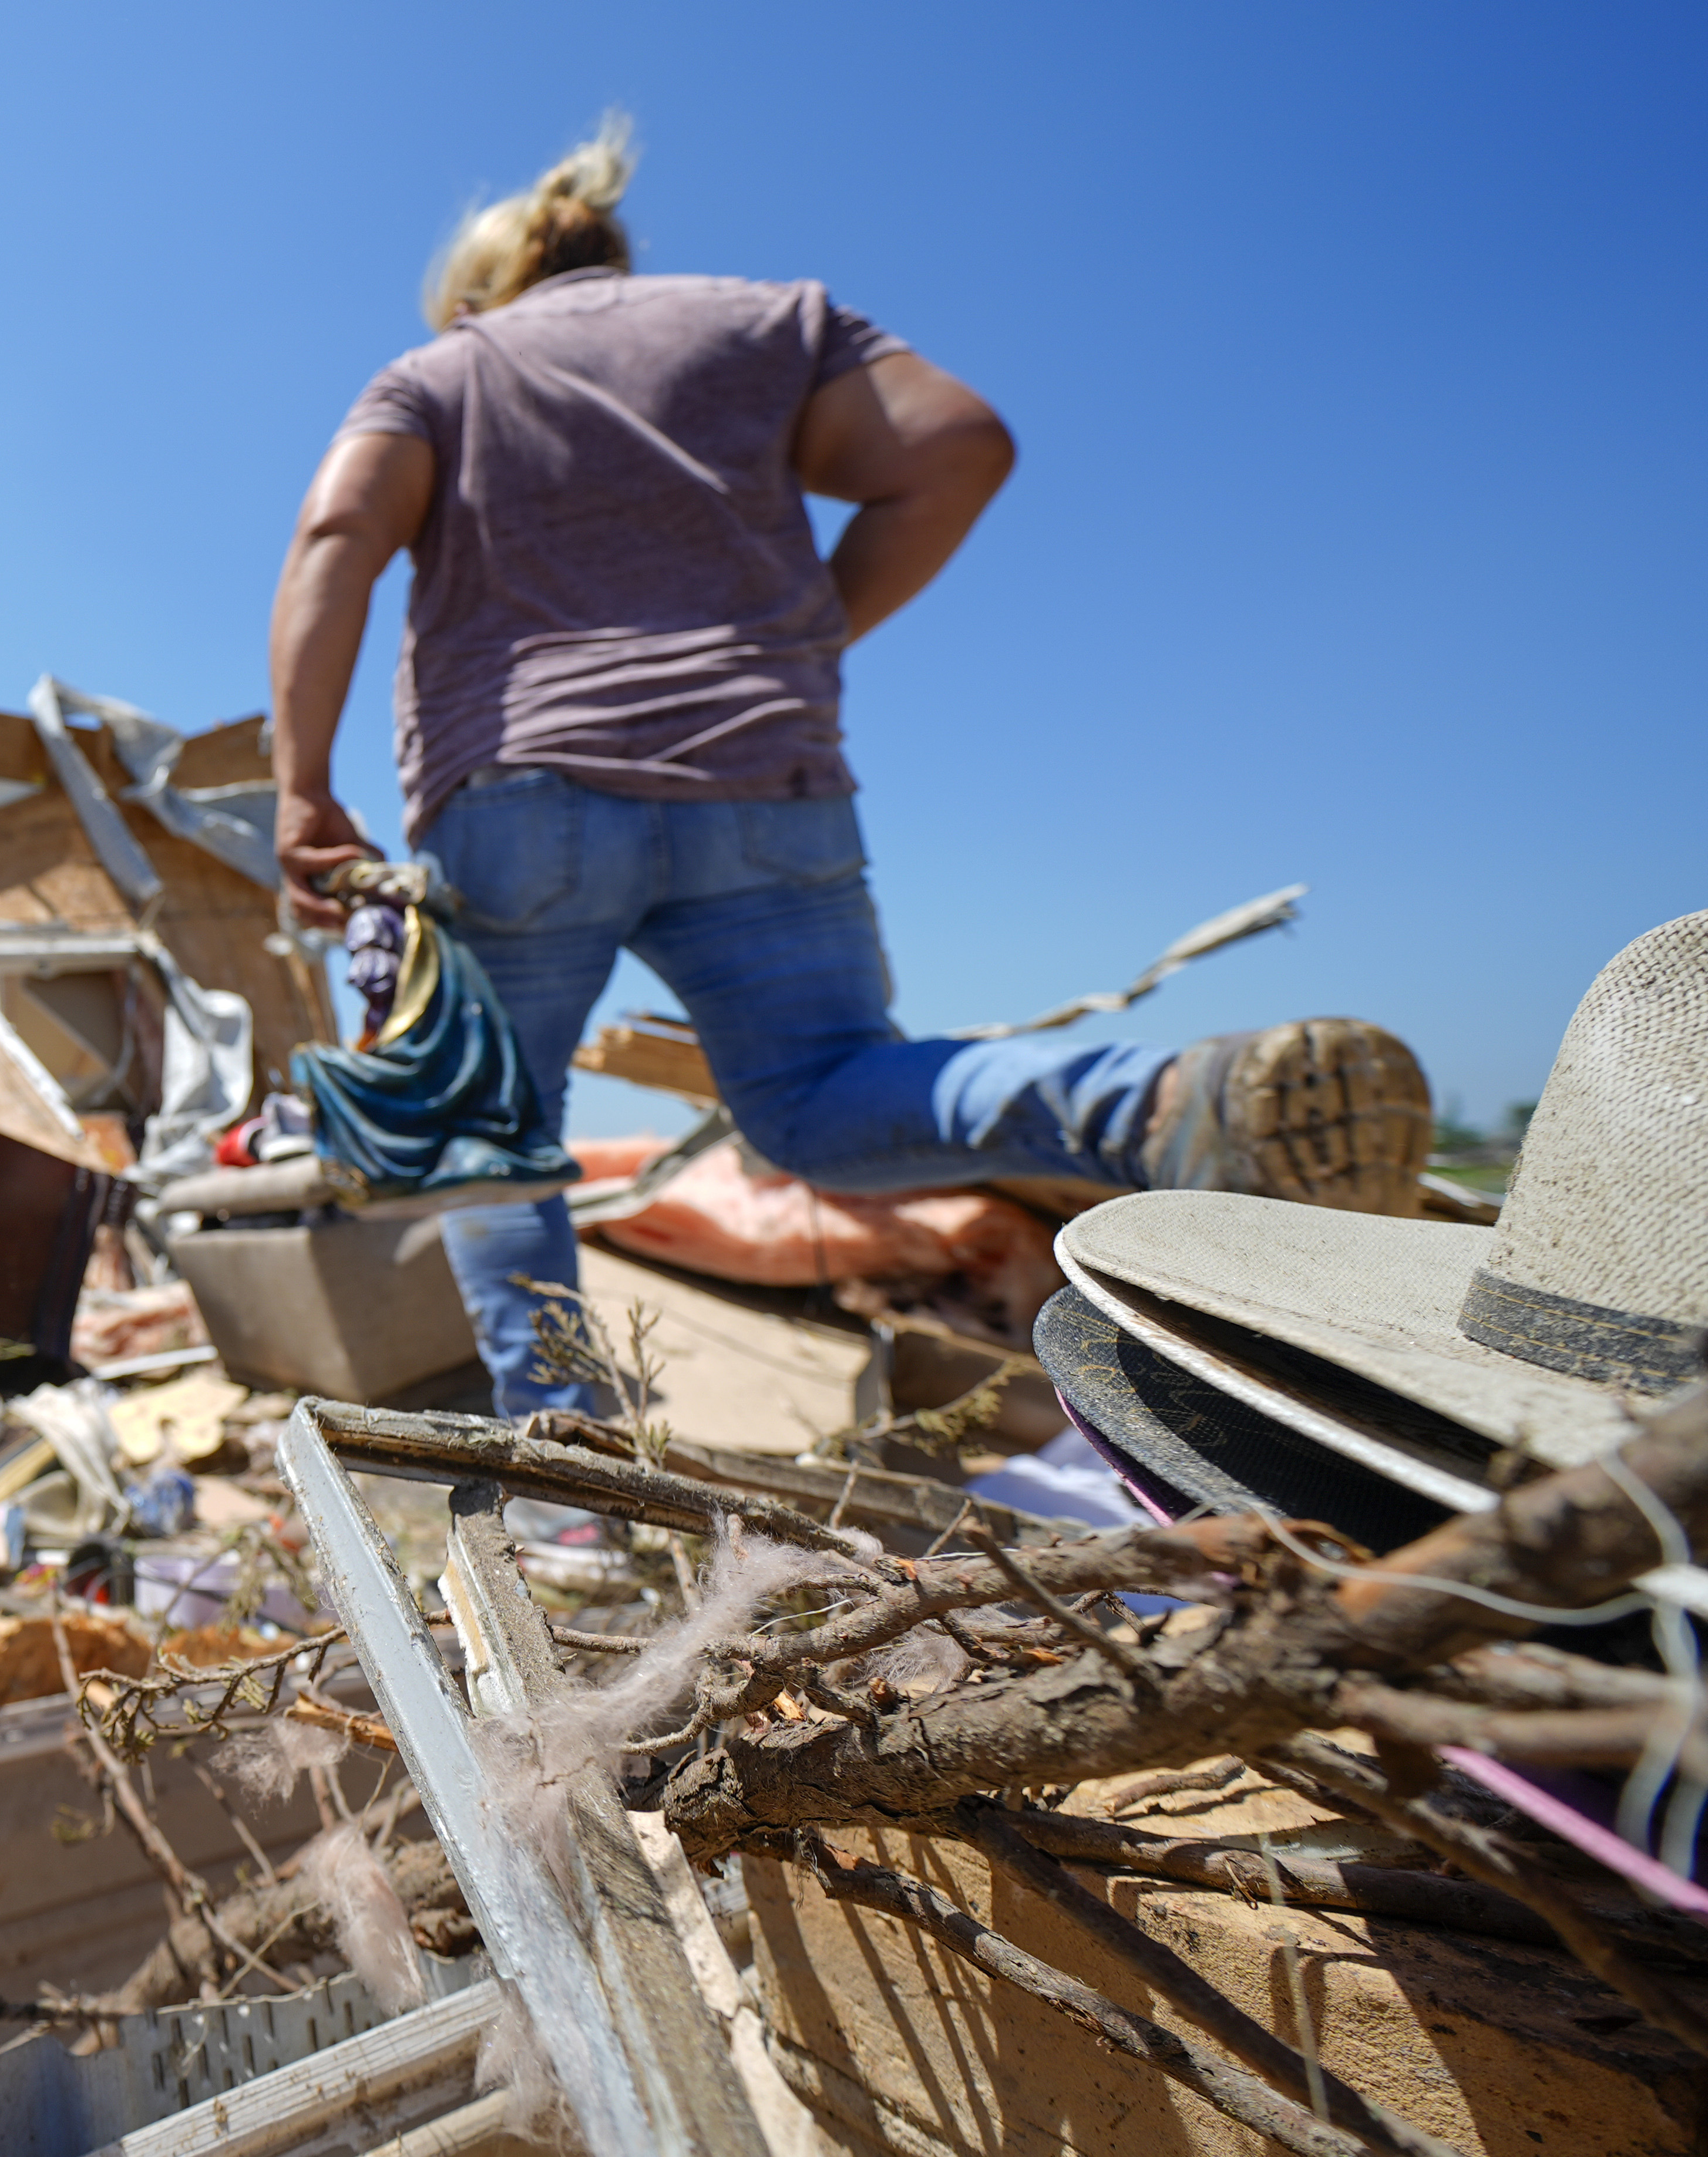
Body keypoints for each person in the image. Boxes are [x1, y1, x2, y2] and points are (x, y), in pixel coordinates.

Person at [267, 123, 1433, 1415]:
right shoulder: (767, 326)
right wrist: (806, 630)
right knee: (824, 1098)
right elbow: (959, 445)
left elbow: (337, 531)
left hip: (519, 791)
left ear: (478, 295)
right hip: (765, 780)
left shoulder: (442, 371)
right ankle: (1161, 1100)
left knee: (493, 1144)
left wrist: (302, 785)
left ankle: (578, 1480)